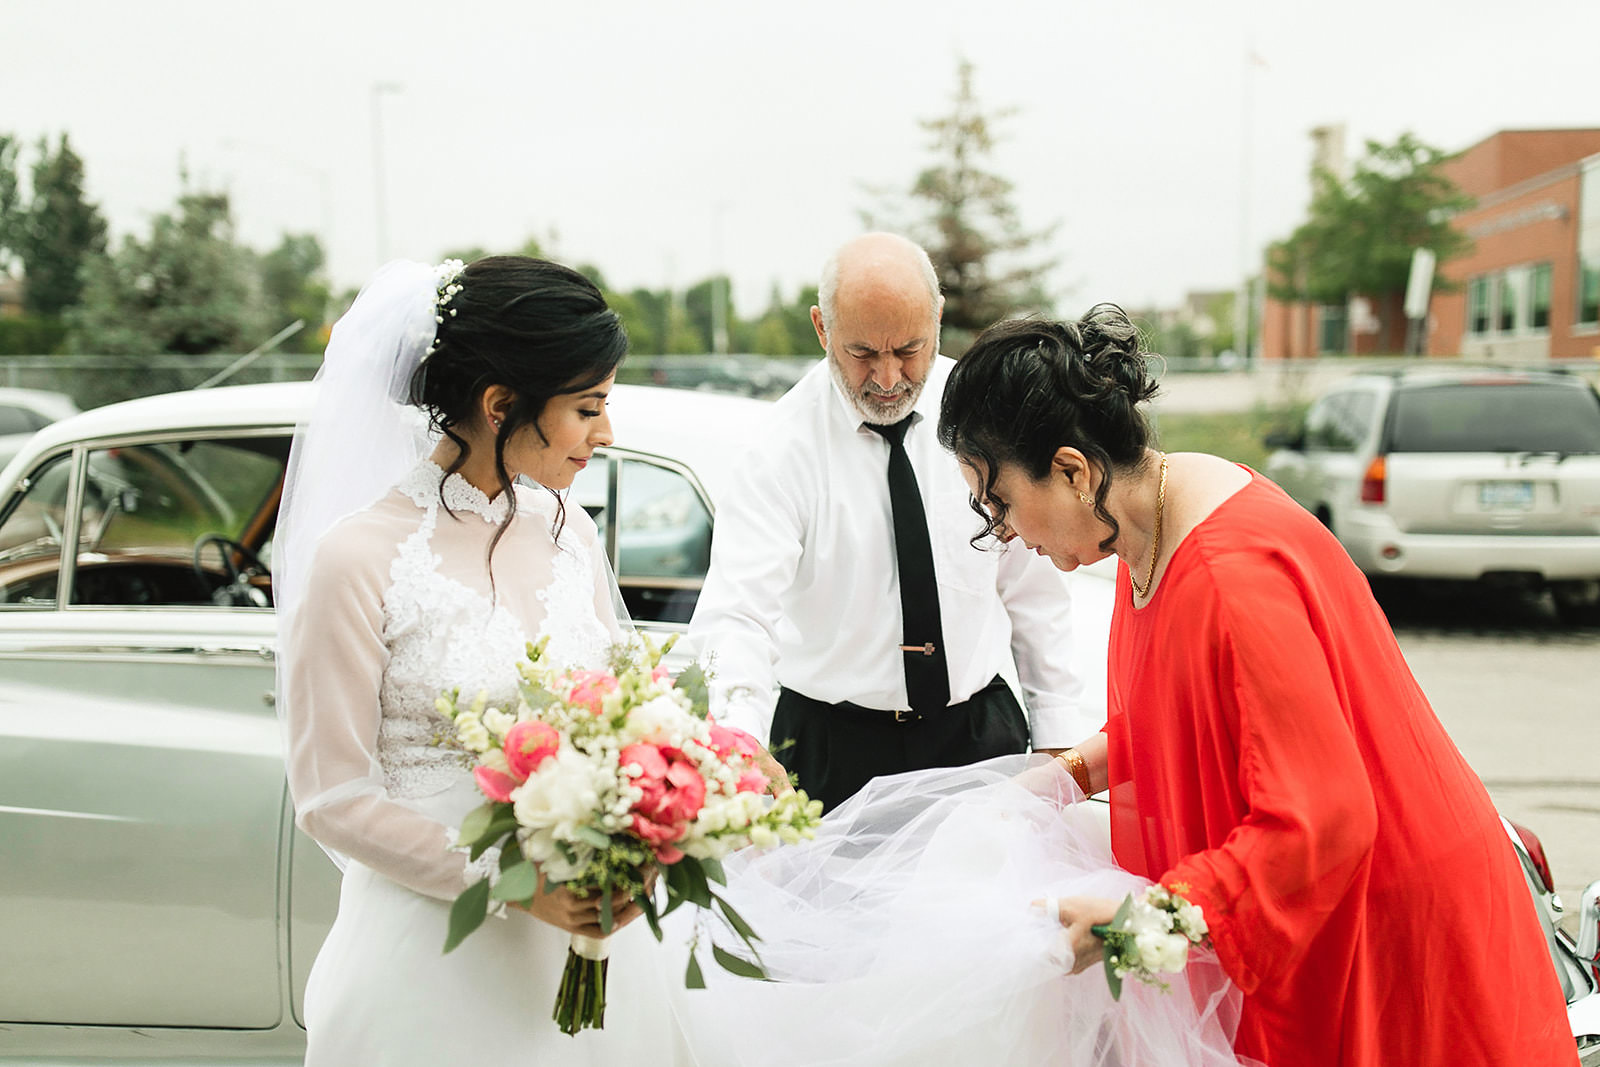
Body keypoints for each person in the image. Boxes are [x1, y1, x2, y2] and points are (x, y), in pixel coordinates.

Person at [933, 307, 1577, 1065]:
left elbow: (1323, 818)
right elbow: (1184, 712)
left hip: (1380, 920)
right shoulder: (1154, 518)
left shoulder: (1227, 577)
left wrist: (1149, 914)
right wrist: (1065, 776)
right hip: (1331, 899)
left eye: (998, 500)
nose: (1003, 530)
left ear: (1074, 469)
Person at [275, 256, 682, 1064]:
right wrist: (520, 881)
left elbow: (636, 705)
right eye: (587, 407)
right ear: (501, 406)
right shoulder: (358, 558)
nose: (605, 433)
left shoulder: (571, 533)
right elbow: (332, 798)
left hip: (595, 958)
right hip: (431, 966)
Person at [687, 232, 1092, 810]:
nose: (886, 377)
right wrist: (739, 741)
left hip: (978, 734)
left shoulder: (990, 416)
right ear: (822, 329)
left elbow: (1036, 592)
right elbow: (738, 616)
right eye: (862, 354)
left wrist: (1057, 740)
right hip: (830, 752)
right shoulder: (776, 451)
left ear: (938, 319)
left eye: (908, 349)